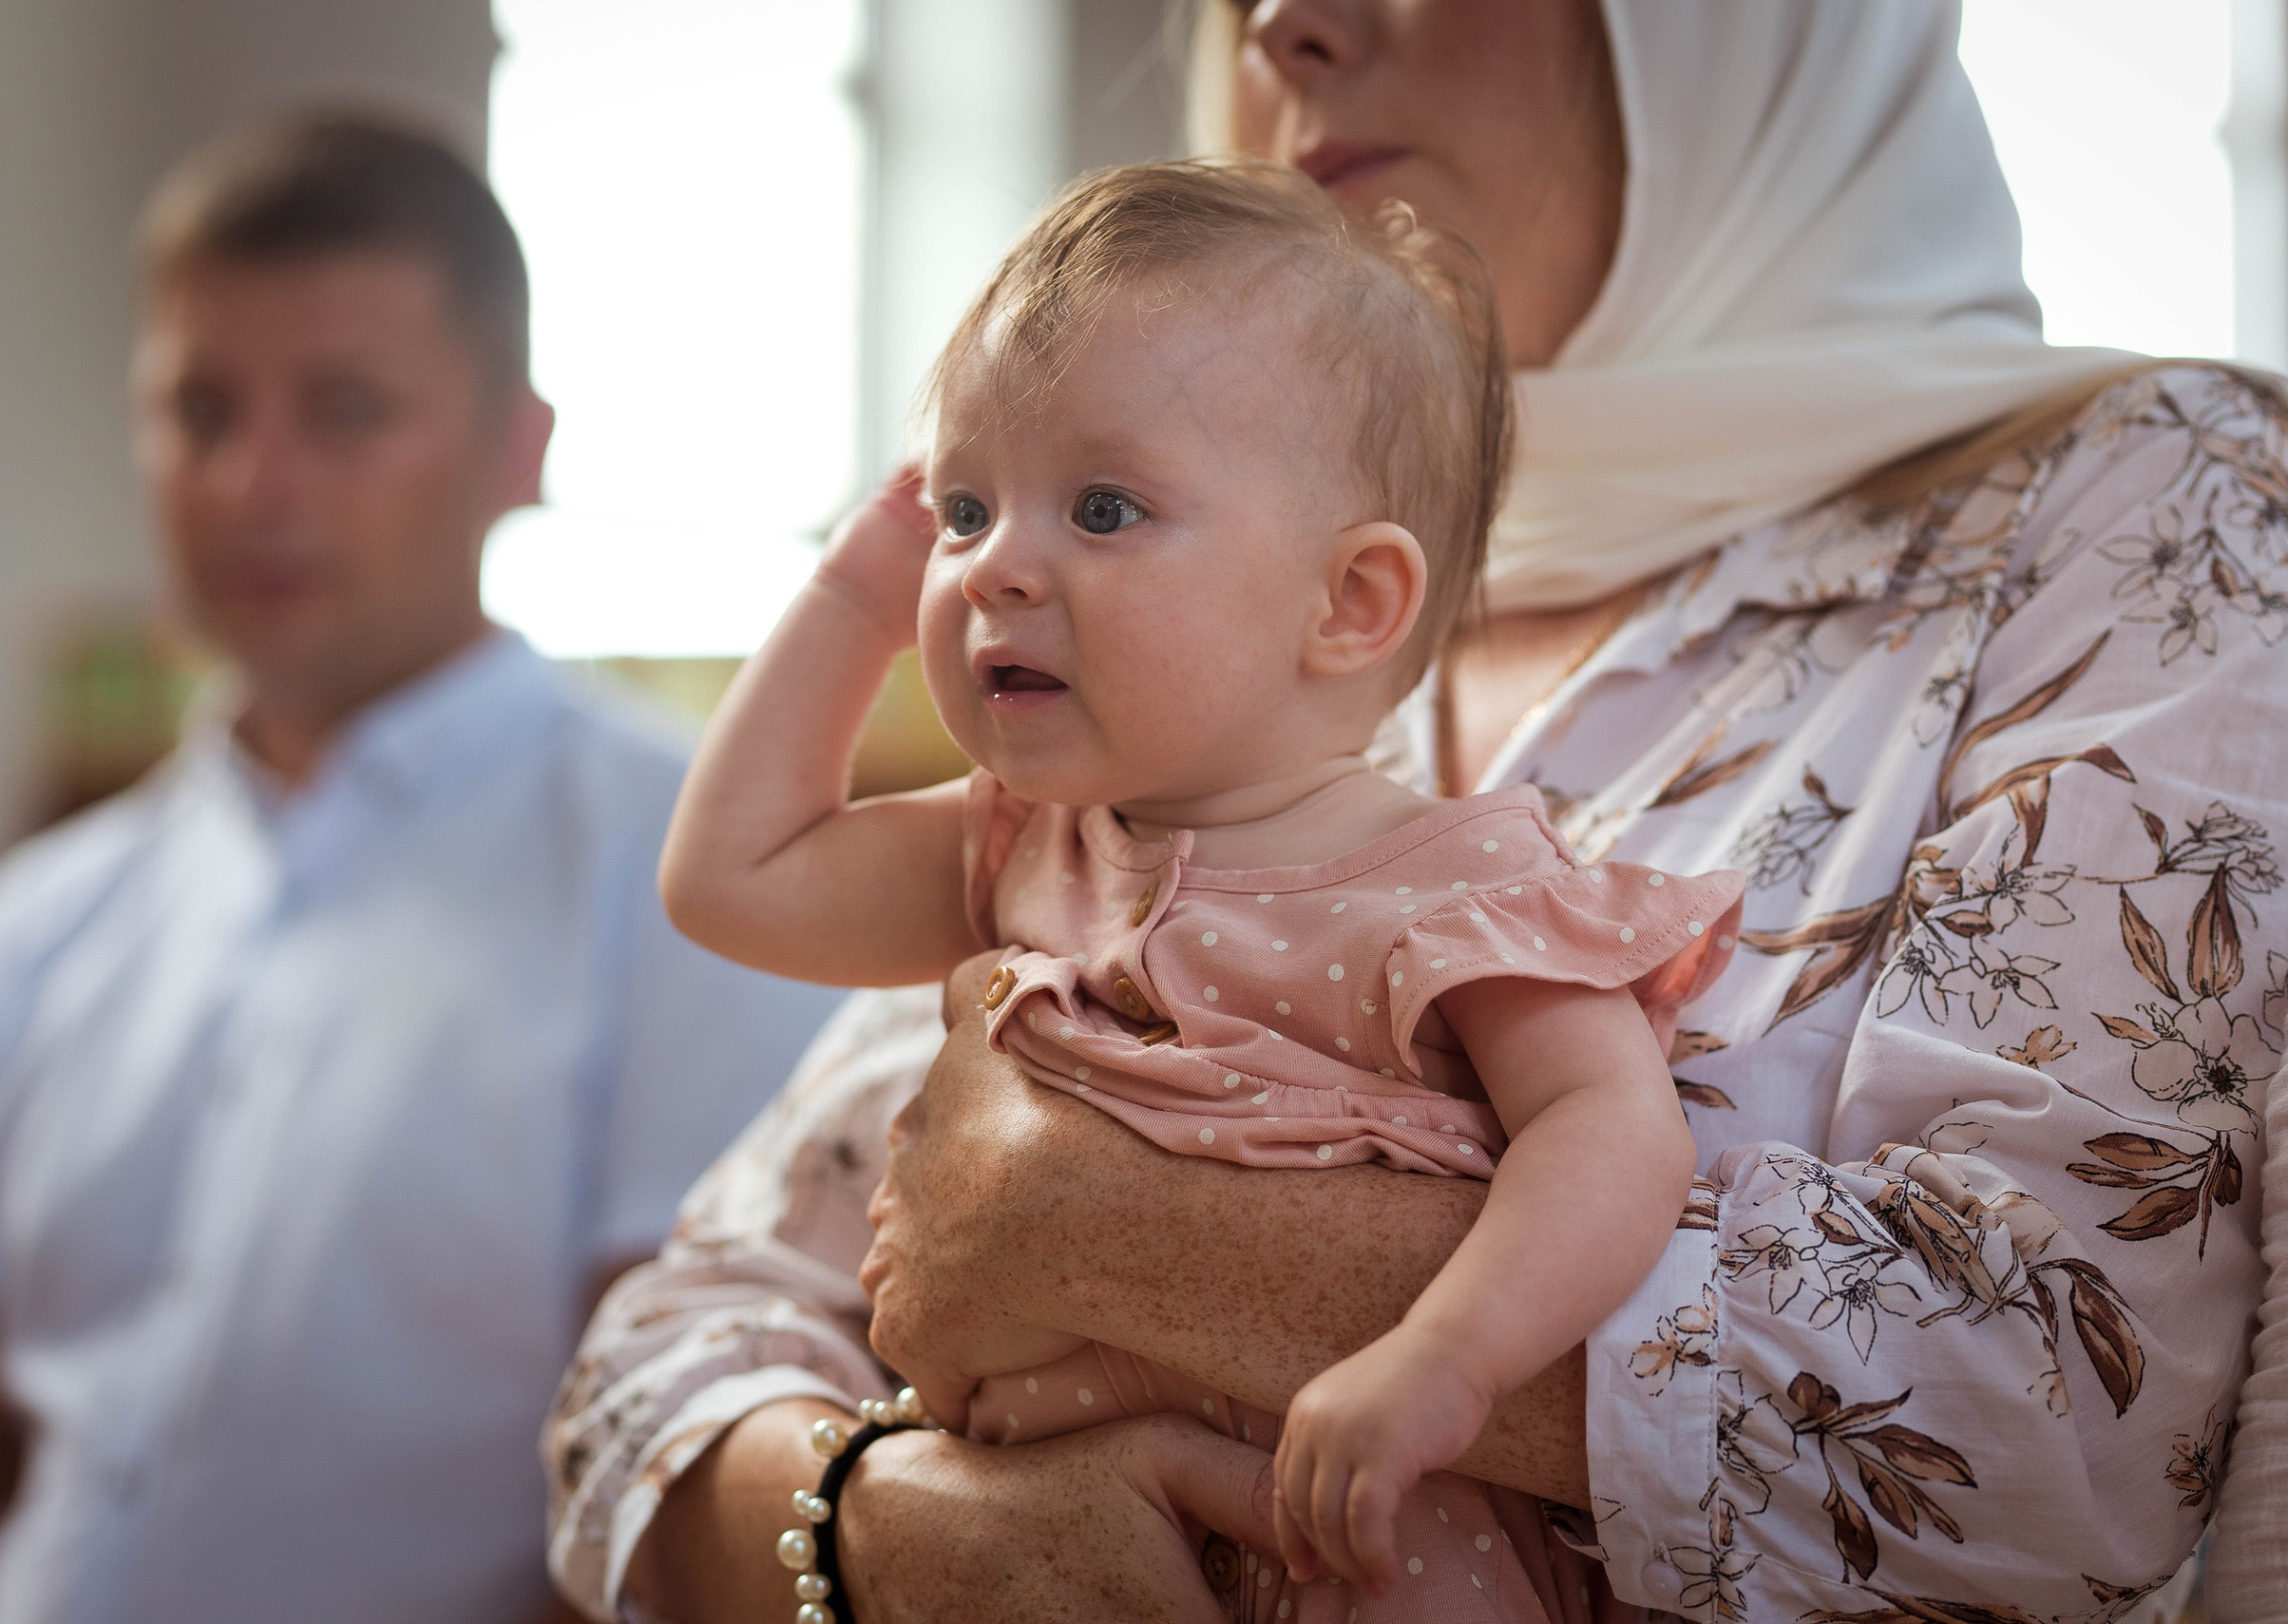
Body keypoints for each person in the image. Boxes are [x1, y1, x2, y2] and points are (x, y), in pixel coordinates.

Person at [544, 3, 2288, 1618]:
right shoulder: (1127, 728)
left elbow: (2054, 1435)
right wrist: (883, 1528)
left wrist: (1102, 1223)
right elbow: (659, 1360)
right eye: (976, 508)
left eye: (1096, 502)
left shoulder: (2142, 517)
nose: (1282, 22)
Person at [660, 157, 1741, 1620]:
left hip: (1364, 1537)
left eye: (1102, 509)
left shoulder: (1456, 882)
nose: (992, 569)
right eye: (965, 506)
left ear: (1348, 603)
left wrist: (1448, 1360)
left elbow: (1613, 1132)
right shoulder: (1024, 844)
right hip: (1057, 1556)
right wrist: (861, 587)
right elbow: (734, 880)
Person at [0, 113, 838, 1624]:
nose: (256, 483)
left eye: (345, 409)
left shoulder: (694, 879)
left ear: (519, 448)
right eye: (200, 409)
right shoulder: (21, 931)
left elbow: (675, 1473)